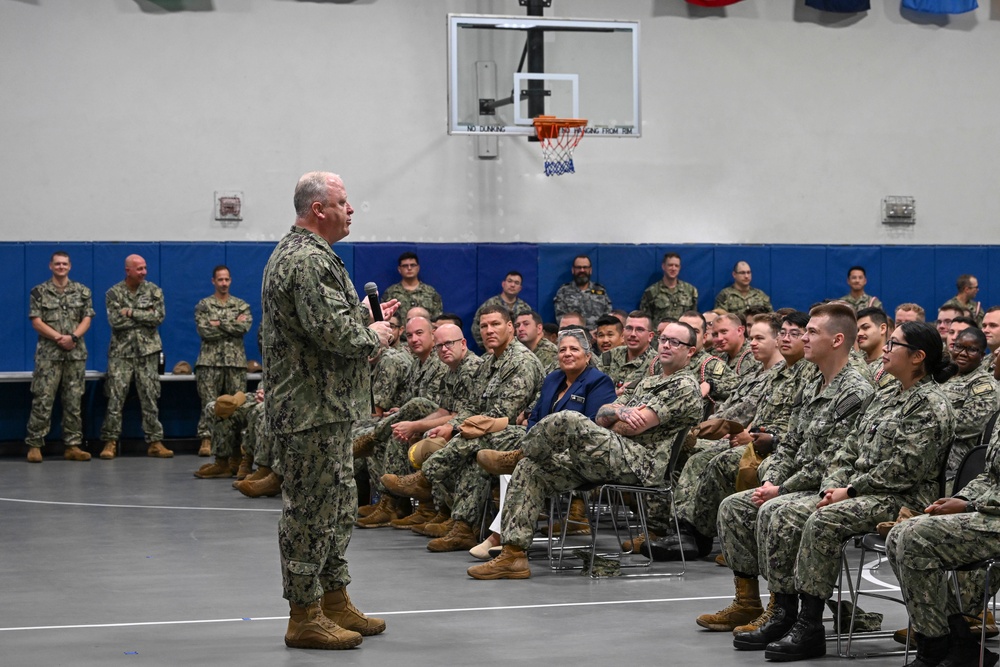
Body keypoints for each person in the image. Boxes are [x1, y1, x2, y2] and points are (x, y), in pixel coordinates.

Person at [727, 320, 955, 662]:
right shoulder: (888, 394)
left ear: (918, 357)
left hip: (903, 499)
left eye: (894, 345)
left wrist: (848, 491)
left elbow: (903, 472)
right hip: (864, 490)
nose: (886, 351)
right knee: (780, 509)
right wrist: (834, 484)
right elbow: (850, 447)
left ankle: (810, 625)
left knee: (823, 519)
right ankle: (784, 611)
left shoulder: (931, 404)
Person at [260, 171, 397, 650]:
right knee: (310, 513)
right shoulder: (307, 260)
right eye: (343, 201)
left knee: (337, 507)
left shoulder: (309, 256)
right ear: (318, 209)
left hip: (325, 407)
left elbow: (319, 323)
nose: (351, 209)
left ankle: (334, 600)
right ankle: (304, 614)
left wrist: (360, 313)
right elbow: (334, 335)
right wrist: (372, 335)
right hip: (310, 410)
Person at [466, 321, 703, 580]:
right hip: (608, 457)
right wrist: (619, 413)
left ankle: (520, 453)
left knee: (569, 418)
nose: (667, 345)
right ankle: (513, 556)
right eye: (664, 339)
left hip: (638, 464)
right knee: (532, 468)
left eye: (675, 342)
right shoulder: (647, 381)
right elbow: (602, 415)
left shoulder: (684, 386)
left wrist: (618, 418)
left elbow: (635, 428)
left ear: (690, 351)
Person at [696, 304, 872, 634]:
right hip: (796, 483)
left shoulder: (855, 391)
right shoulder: (812, 384)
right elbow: (789, 443)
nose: (803, 337)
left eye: (811, 332)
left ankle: (786, 611)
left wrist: (782, 488)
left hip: (828, 487)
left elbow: (833, 460)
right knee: (734, 506)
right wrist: (773, 477)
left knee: (778, 511)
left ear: (836, 340)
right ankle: (747, 603)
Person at [381, 305, 543, 552]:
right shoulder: (489, 361)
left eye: (496, 324)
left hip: (522, 434)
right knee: (472, 455)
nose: (489, 330)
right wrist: (451, 425)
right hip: (490, 431)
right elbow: (470, 405)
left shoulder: (520, 361)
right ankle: (462, 527)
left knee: (472, 442)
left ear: (510, 327)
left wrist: (457, 429)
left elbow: (502, 415)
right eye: (484, 326)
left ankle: (426, 479)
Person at [470, 328, 617, 556]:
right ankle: (505, 538)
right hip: (539, 446)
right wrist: (534, 440)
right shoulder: (553, 379)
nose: (567, 354)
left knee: (524, 465)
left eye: (574, 349)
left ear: (588, 356)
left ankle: (500, 538)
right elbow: (535, 416)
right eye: (562, 350)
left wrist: (545, 445)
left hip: (577, 455)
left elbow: (592, 429)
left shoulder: (599, 382)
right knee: (515, 459)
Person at [885, 422, 1000, 667]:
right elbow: (991, 477)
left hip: (994, 514)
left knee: (915, 538)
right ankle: (951, 642)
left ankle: (939, 647)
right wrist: (960, 498)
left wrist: (970, 506)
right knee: (898, 535)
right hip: (990, 511)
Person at [24, 251, 94, 463]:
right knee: (43, 399)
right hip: (49, 356)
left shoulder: (82, 291)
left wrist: (72, 337)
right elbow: (36, 321)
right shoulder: (39, 292)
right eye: (57, 264)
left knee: (73, 400)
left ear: (70, 266)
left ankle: (73, 445)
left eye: (64, 264)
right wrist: (59, 338)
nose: (61, 267)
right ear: (50, 266)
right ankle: (35, 445)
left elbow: (87, 318)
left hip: (75, 354)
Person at [99, 254, 171, 460]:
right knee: (115, 396)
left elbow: (157, 318)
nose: (144, 272)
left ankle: (155, 442)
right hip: (121, 354)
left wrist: (130, 312)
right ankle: (110, 442)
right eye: (139, 269)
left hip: (148, 353)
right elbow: (115, 322)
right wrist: (143, 314)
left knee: (150, 396)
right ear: (128, 270)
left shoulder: (154, 291)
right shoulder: (113, 293)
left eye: (145, 268)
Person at [193, 265, 253, 462]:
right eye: (220, 280)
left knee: (237, 405)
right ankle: (206, 440)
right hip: (209, 362)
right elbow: (204, 331)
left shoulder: (241, 305)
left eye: (227, 279)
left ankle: (238, 447)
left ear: (231, 280)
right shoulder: (204, 305)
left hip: (235, 363)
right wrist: (232, 323)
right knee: (209, 404)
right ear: (213, 281)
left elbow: (243, 327)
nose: (224, 283)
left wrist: (218, 323)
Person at [941, 326, 998, 485]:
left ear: (982, 355)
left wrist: (927, 420)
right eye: (959, 347)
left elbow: (967, 426)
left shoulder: (984, 385)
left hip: (953, 463)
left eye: (971, 349)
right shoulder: (943, 375)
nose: (963, 353)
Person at [599, 311, 657, 394]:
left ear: (650, 336)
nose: (633, 334)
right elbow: (594, 389)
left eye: (639, 330)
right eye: (629, 328)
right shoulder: (609, 356)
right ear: (623, 332)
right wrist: (616, 394)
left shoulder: (656, 364)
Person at [472, 271, 532, 349]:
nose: (512, 285)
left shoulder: (525, 307)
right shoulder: (490, 304)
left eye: (516, 283)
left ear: (520, 288)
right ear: (503, 284)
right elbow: (476, 328)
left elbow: (530, 329)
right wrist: (488, 346)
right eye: (510, 281)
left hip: (519, 350)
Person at [553, 254, 613, 329]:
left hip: (597, 336)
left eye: (585, 267)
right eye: (578, 267)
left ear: (590, 270)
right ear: (573, 270)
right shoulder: (563, 292)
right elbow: (561, 318)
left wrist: (597, 332)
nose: (582, 270)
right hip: (573, 335)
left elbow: (608, 315)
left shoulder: (600, 290)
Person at [639, 252, 699, 324]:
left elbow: (694, 318)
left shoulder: (690, 290)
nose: (673, 268)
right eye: (670, 265)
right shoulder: (651, 292)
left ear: (679, 268)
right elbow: (645, 321)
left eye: (676, 266)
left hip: (683, 333)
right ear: (663, 266)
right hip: (660, 334)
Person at [382, 251, 443, 319]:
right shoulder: (391, 293)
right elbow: (385, 317)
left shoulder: (430, 292)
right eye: (405, 266)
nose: (409, 268)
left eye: (413, 265)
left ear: (418, 268)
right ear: (399, 269)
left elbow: (437, 319)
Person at [855, 307, 897, 391]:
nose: (859, 333)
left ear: (882, 329)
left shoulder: (892, 364)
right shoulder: (855, 360)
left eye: (865, 327)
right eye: (857, 330)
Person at [713, 312, 762, 378]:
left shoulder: (753, 355)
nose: (719, 338)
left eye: (724, 332)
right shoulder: (721, 357)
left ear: (740, 331)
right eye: (715, 334)